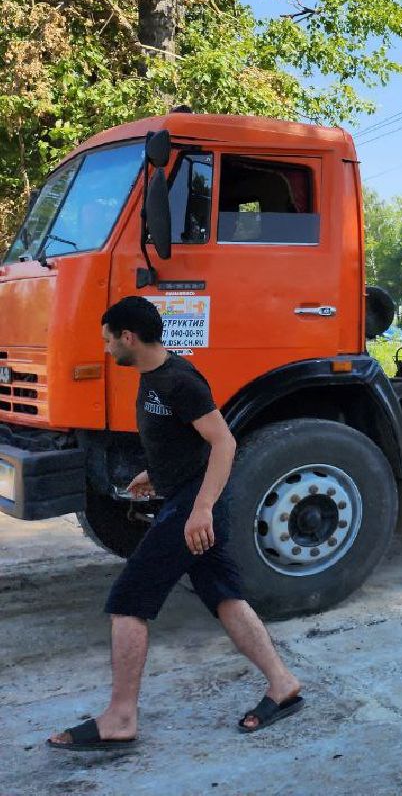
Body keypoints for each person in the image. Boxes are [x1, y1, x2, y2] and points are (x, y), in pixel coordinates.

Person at [47, 296, 303, 751]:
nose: (105, 349)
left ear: (128, 337)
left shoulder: (180, 381)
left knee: (129, 600)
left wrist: (201, 508)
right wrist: (156, 473)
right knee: (223, 596)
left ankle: (120, 718)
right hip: (183, 496)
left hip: (193, 506)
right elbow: (183, 442)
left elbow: (223, 443)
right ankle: (282, 683)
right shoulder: (151, 378)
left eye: (108, 340)